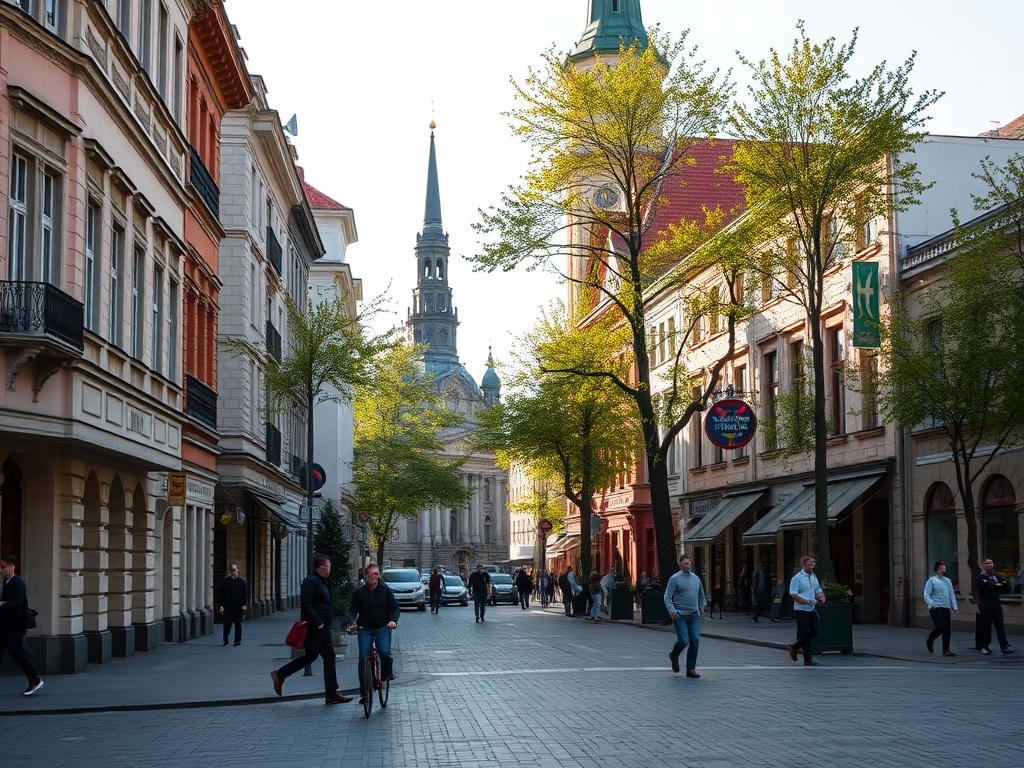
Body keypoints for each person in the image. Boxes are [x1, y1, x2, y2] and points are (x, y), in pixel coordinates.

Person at [270, 553, 351, 705]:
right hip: (316, 627)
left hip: (322, 627)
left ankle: (330, 693)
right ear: (321, 568)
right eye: (328, 567)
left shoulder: (323, 581)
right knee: (318, 656)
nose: (330, 569)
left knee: (319, 657)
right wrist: (319, 622)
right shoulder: (311, 582)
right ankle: (281, 675)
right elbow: (306, 604)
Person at [346, 562, 399, 703]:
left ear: (379, 575)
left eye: (376, 574)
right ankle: (364, 692)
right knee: (363, 657)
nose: (373, 577)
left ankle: (387, 674)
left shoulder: (385, 590)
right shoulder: (359, 593)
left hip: (383, 627)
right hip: (365, 629)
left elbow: (395, 608)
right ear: (366, 576)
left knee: (384, 652)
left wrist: (393, 621)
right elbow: (352, 610)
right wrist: (352, 623)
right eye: (370, 574)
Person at [0, 555, 44, 696]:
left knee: (17, 651)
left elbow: (17, 602)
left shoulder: (18, 582)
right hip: (6, 625)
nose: (1, 570)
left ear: (12, 566)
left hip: (15, 625)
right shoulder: (7, 581)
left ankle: (35, 680)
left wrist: (2, 604)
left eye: (3, 567)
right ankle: (34, 679)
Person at [664, 554, 706, 678]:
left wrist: (701, 607)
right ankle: (674, 655)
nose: (688, 565)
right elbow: (667, 596)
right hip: (680, 615)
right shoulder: (675, 578)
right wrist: (672, 611)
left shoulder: (696, 578)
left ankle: (691, 668)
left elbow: (701, 595)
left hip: (694, 615)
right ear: (680, 564)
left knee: (695, 640)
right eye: (686, 563)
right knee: (683, 640)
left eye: (689, 563)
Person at [787, 555, 826, 667]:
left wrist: (821, 596)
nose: (812, 566)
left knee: (814, 631)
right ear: (804, 564)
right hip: (800, 610)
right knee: (805, 633)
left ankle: (794, 646)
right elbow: (793, 594)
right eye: (810, 564)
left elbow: (818, 589)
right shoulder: (797, 578)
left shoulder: (814, 577)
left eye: (813, 564)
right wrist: (804, 602)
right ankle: (807, 658)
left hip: (812, 609)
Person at [976, 557, 1015, 655]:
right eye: (986, 563)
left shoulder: (997, 576)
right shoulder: (980, 577)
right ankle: (984, 646)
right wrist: (998, 584)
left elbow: (1007, 586)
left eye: (990, 563)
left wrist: (997, 584)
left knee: (1000, 627)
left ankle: (1005, 646)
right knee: (986, 627)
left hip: (996, 606)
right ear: (983, 565)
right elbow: (987, 585)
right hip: (985, 606)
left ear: (993, 564)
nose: (988, 565)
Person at [923, 560, 958, 656]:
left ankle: (946, 650)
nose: (944, 566)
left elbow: (952, 594)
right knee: (940, 627)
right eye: (942, 565)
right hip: (936, 607)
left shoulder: (947, 581)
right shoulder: (932, 580)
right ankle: (930, 640)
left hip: (946, 607)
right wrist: (930, 603)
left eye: (944, 565)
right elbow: (926, 593)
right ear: (938, 568)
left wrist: (954, 607)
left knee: (947, 629)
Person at [217, 563, 248, 646]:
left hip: (238, 607)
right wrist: (221, 605)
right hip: (227, 607)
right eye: (232, 571)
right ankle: (225, 639)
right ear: (229, 572)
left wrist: (244, 604)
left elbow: (244, 594)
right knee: (227, 624)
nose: (233, 572)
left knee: (238, 624)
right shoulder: (224, 582)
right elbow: (221, 595)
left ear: (237, 571)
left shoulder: (242, 582)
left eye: (235, 571)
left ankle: (237, 641)